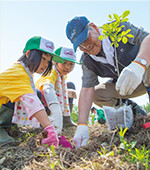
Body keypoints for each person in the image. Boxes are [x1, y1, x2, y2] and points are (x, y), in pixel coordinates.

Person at [66, 16, 150, 148]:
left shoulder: (117, 29)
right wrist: (82, 125)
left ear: (93, 27)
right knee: (98, 94)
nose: (86, 46)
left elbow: (147, 38)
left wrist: (140, 64)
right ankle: (136, 113)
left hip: (145, 73)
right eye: (81, 45)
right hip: (128, 86)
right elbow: (87, 89)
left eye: (86, 39)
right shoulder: (88, 61)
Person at [0, 36, 64, 146]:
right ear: (28, 54)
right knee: (33, 96)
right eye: (43, 58)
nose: (45, 64)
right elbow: (32, 102)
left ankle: (9, 127)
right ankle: (2, 127)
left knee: (37, 93)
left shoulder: (25, 72)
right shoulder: (18, 73)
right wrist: (49, 128)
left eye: (49, 61)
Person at [35, 46, 80, 135]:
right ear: (55, 62)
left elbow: (59, 92)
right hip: (43, 103)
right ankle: (45, 122)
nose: (67, 67)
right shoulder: (52, 73)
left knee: (70, 85)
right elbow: (47, 89)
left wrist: (68, 92)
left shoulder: (62, 75)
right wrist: (55, 110)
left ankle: (66, 119)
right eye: (64, 63)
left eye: (71, 64)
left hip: (51, 98)